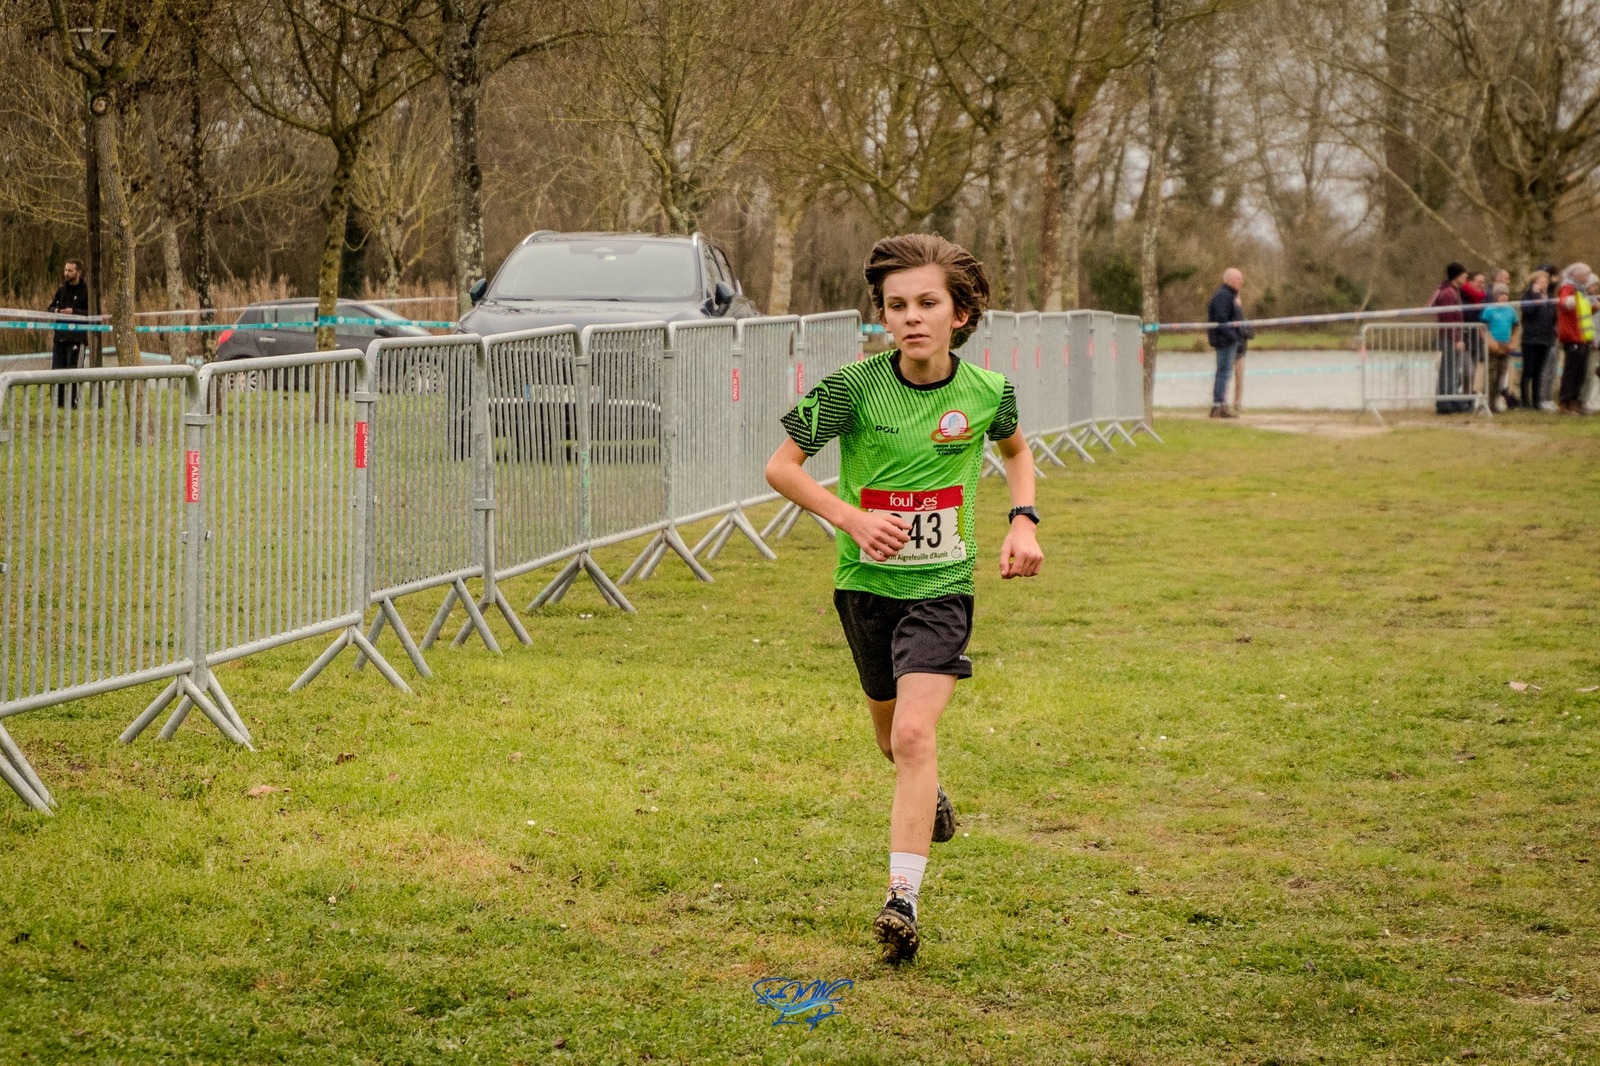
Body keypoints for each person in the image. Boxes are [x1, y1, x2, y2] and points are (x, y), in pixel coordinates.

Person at [765, 233, 1044, 964]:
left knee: (916, 737)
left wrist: (1023, 520)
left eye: (926, 303)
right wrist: (852, 518)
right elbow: (781, 467)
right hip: (865, 587)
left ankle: (902, 900)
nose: (911, 317)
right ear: (882, 316)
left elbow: (1017, 452)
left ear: (960, 314)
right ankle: (931, 799)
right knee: (892, 742)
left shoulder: (988, 392)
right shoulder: (851, 389)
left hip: (942, 589)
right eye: (896, 306)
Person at [46, 259, 89, 408]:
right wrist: (56, 311)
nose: (66, 273)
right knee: (57, 371)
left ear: (78, 272)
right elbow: (50, 307)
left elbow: (92, 314)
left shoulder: (86, 291)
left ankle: (72, 403)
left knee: (73, 372)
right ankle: (57, 404)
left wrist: (74, 312)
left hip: (76, 338)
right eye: (65, 270)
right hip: (59, 338)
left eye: (70, 271)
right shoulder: (61, 290)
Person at [1430, 263, 1471, 414]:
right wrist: (1456, 338)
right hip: (1449, 337)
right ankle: (1447, 400)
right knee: (1450, 370)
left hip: (1449, 336)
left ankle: (1449, 398)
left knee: (1450, 369)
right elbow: (1448, 317)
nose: (1466, 278)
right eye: (1464, 275)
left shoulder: (1452, 291)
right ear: (1457, 276)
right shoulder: (1448, 293)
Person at [1206, 268, 1245, 418]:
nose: (1241, 282)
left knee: (1224, 372)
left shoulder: (1231, 296)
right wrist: (1233, 336)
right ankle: (1219, 405)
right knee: (1224, 372)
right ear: (1230, 280)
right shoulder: (1224, 296)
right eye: (1239, 279)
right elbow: (1221, 319)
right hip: (1224, 341)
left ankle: (1220, 404)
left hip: (1228, 340)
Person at [1555, 263, 1593, 414]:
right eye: (1585, 274)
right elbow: (1565, 303)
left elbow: (1582, 311)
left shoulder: (1581, 290)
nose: (1587, 277)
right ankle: (1565, 402)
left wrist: (1593, 307)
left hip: (1582, 335)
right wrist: (1568, 301)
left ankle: (1575, 400)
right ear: (1576, 274)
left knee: (1580, 371)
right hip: (1572, 335)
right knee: (1571, 370)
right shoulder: (1568, 287)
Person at [1479, 285, 1520, 412]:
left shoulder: (1511, 311)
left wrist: (1514, 342)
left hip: (1506, 345)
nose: (1504, 297)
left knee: (1501, 376)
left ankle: (1495, 402)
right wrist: (1490, 342)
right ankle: (1486, 402)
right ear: (1496, 296)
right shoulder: (1489, 310)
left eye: (1506, 294)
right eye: (1501, 294)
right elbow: (1483, 328)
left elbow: (1516, 326)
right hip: (1493, 345)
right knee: (1491, 375)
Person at [1519, 269, 1556, 410]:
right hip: (1530, 338)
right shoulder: (1528, 296)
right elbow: (1528, 311)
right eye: (1541, 282)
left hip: (1545, 338)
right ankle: (1525, 401)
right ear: (1534, 283)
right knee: (1528, 370)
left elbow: (1553, 317)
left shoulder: (1550, 297)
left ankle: (1536, 401)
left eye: (1546, 282)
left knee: (1539, 371)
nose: (1544, 284)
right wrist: (1535, 296)